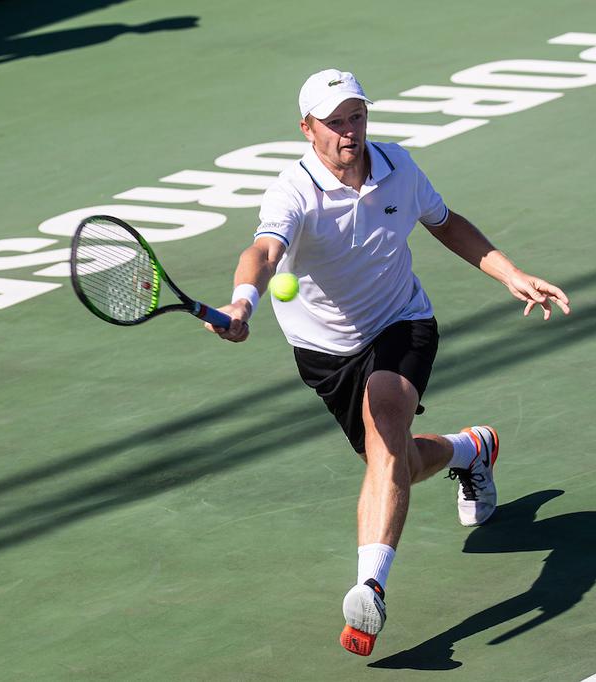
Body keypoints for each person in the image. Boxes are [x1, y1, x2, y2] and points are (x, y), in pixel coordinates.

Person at [206, 68, 571, 656]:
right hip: (324, 351)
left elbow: (446, 223)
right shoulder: (292, 191)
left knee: (385, 428)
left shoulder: (399, 166)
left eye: (357, 117)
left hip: (402, 322)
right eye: (334, 122)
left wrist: (511, 273)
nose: (350, 132)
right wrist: (242, 300)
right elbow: (263, 250)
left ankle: (369, 585)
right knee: (392, 461)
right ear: (307, 130)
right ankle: (470, 450)